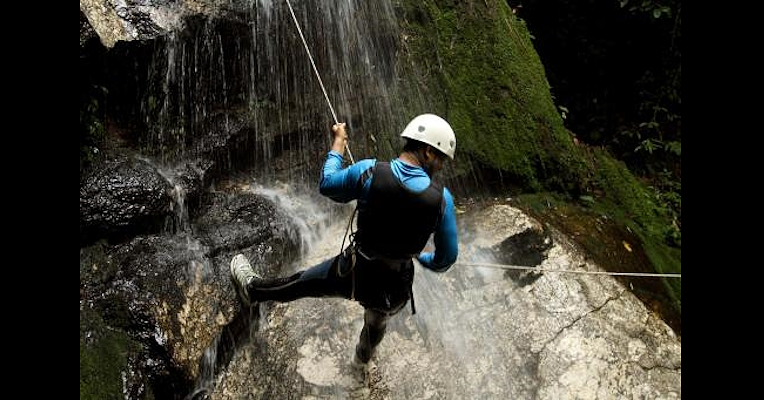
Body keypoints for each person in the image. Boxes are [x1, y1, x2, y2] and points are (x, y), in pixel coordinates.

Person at [230, 113, 459, 364]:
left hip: (354, 272)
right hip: (394, 287)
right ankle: (361, 360)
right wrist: (424, 258)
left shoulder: (369, 171)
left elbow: (327, 184)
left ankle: (253, 290)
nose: (441, 166)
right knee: (376, 323)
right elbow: (446, 259)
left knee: (300, 283)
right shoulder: (442, 200)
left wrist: (338, 142)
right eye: (441, 159)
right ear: (428, 151)